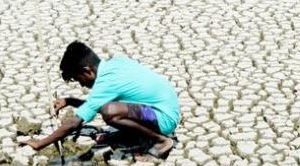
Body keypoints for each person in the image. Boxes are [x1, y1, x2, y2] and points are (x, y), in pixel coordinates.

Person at [20, 41, 180, 159]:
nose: (82, 84)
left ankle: (161, 141)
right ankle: (132, 135)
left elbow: (74, 123)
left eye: (79, 79)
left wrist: (40, 143)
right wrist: (70, 101)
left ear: (87, 71)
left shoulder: (105, 83)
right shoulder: (117, 62)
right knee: (110, 109)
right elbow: (96, 105)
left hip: (164, 118)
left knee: (110, 112)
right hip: (164, 107)